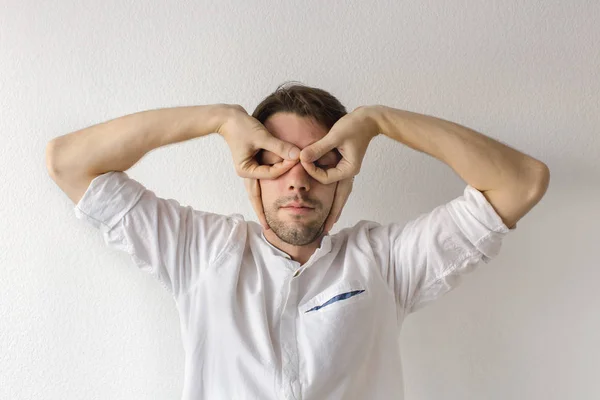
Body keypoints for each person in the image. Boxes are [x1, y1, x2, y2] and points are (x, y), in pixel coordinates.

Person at [46, 82, 550, 400]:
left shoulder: (386, 262)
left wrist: (378, 122)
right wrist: (219, 119)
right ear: (252, 172)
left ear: (344, 173)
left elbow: (522, 181)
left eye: (320, 160)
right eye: (275, 158)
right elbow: (68, 161)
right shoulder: (198, 249)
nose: (297, 179)